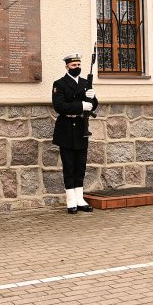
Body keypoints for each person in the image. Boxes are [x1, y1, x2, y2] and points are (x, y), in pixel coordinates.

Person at [52, 52, 98, 214]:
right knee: (69, 165)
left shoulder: (86, 83)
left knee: (80, 165)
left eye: (78, 65)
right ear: (67, 67)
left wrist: (93, 99)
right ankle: (70, 199)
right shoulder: (59, 84)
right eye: (73, 65)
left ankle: (80, 198)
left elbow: (93, 105)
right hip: (66, 129)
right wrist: (81, 106)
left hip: (81, 128)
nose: (76, 68)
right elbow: (60, 106)